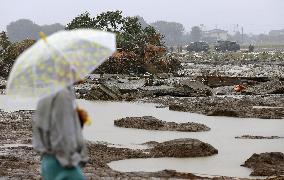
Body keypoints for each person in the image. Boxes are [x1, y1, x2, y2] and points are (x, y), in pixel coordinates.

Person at [33, 86, 88, 180]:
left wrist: (76, 120)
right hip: (63, 164)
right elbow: (63, 137)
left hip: (48, 162)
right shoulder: (63, 95)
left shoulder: (47, 92)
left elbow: (43, 128)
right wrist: (70, 162)